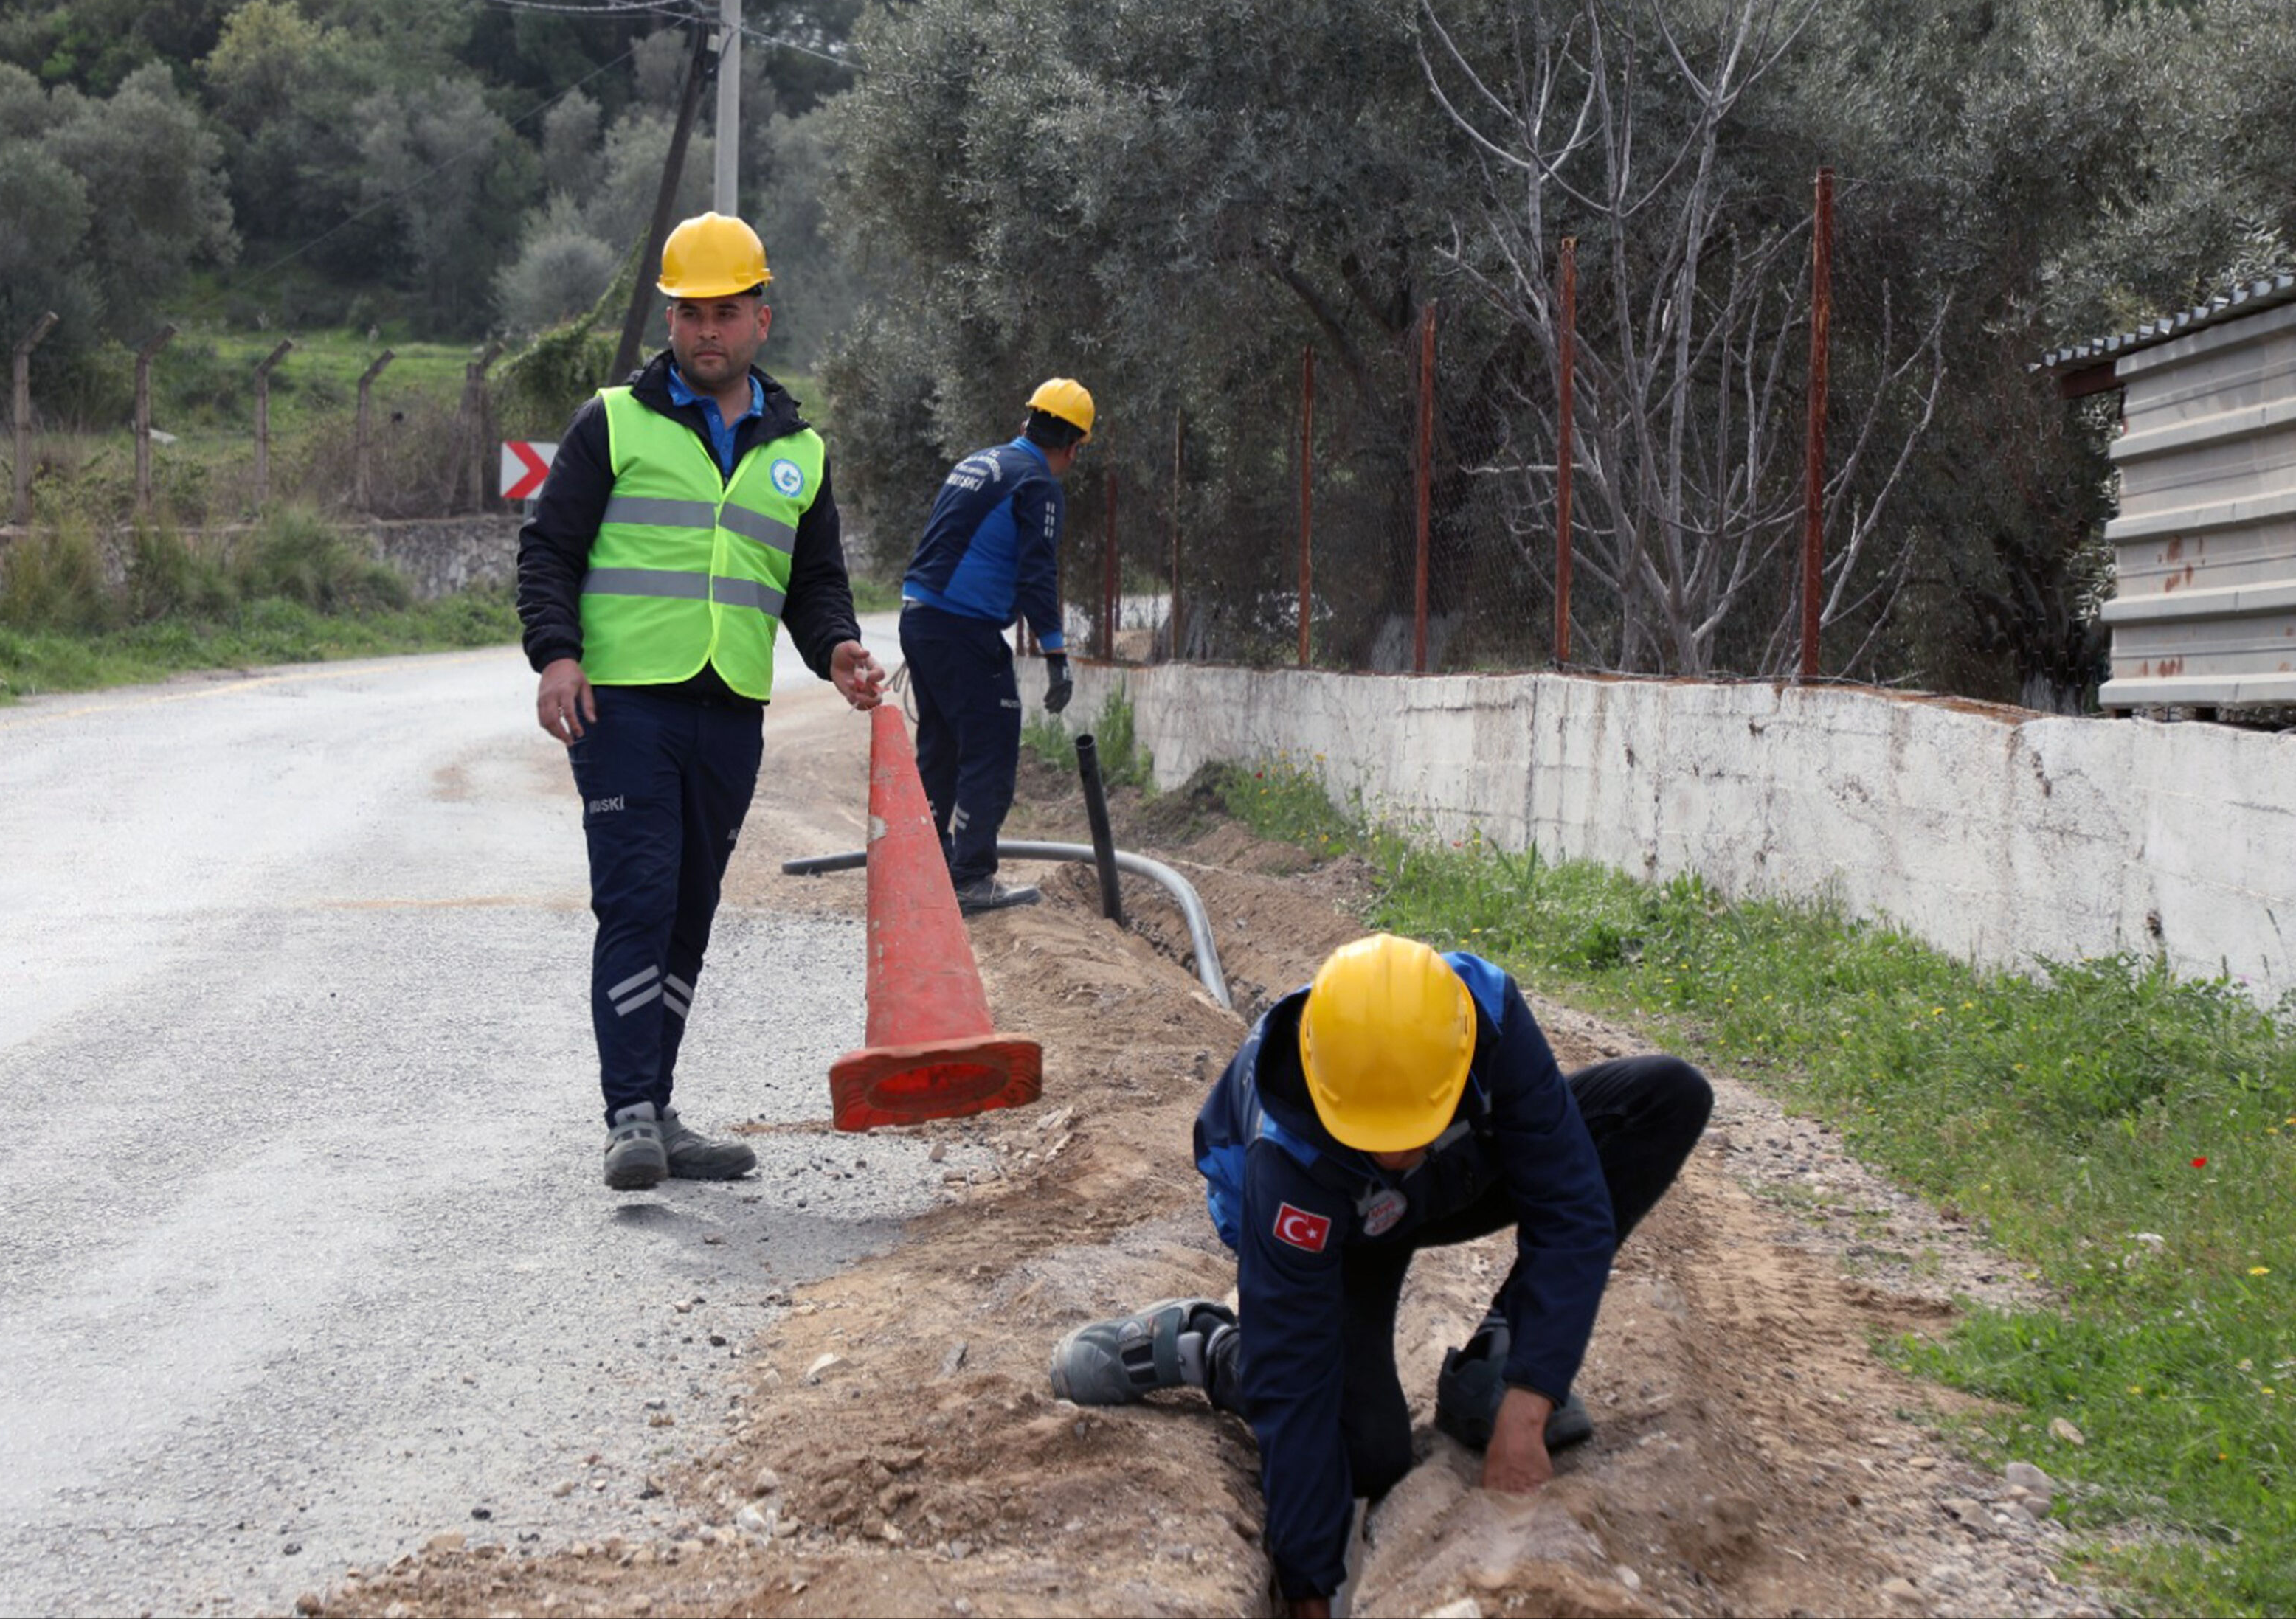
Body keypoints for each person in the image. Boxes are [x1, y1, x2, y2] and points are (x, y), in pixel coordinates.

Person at [1048, 933, 1712, 1618]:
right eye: (1380, 1132)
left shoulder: (1479, 1015)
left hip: (1449, 1173)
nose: (1398, 1148)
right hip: (1336, 1227)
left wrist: (1530, 1396)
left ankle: (1497, 1359)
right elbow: (1295, 1376)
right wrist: (1307, 1583)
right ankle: (1212, 1347)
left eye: (1410, 1125)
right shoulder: (1286, 1156)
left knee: (1663, 1098)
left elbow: (1569, 1205)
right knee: (1368, 1457)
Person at [515, 211, 888, 1193]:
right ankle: (629, 1114)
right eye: (690, 313)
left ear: (762, 317)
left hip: (731, 710)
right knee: (637, 898)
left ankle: (660, 1106)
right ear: (671, 320)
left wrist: (838, 647)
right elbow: (548, 548)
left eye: (725, 312)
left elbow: (814, 583)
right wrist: (556, 653)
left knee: (689, 907)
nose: (706, 330)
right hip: (624, 706)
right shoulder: (614, 421)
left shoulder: (800, 449)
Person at [896, 378, 1093, 915]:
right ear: (1073, 447)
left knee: (940, 747)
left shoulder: (980, 461)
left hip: (919, 618)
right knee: (992, 746)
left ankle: (925, 868)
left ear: (1026, 422)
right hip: (962, 629)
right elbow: (1037, 574)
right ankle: (970, 877)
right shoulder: (1037, 483)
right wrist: (1056, 655)